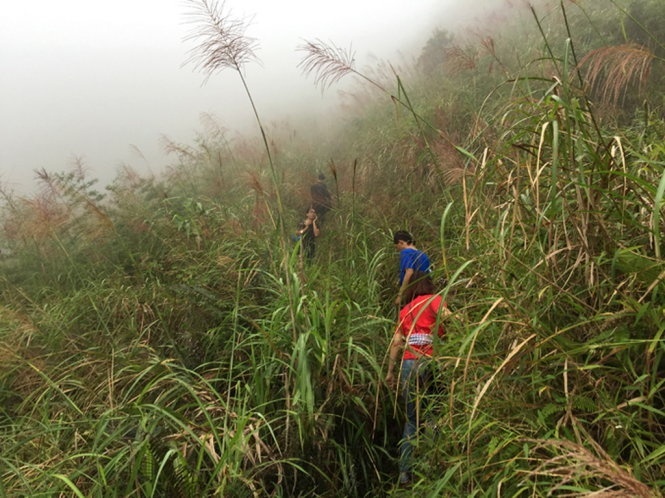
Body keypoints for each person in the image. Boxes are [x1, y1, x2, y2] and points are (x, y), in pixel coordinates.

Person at [385, 273, 449, 486]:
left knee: (412, 420)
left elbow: (396, 343)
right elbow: (450, 318)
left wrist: (390, 372)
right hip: (432, 362)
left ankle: (405, 474)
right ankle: (433, 466)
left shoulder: (404, 311)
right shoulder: (434, 300)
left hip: (409, 365)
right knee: (434, 415)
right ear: (429, 286)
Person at [393, 230, 431, 305]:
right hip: (426, 290)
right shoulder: (423, 255)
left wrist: (400, 295)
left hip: (412, 291)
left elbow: (409, 272)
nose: (397, 249)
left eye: (397, 246)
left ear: (401, 242)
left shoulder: (406, 252)